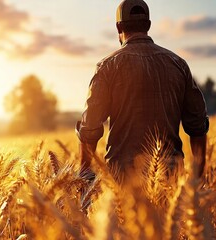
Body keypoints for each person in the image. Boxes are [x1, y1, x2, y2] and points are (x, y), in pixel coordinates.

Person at [76, 0, 209, 183]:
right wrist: (197, 179)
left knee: (127, 213)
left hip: (122, 180)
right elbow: (198, 126)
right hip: (170, 178)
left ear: (118, 27)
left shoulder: (107, 67)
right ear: (149, 25)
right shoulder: (178, 64)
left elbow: (90, 127)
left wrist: (83, 172)